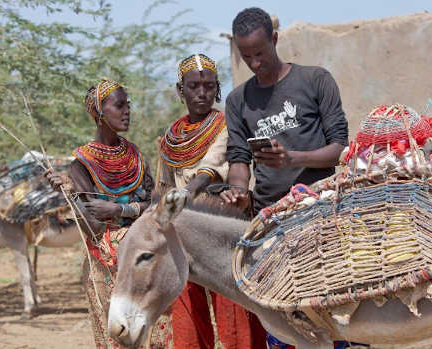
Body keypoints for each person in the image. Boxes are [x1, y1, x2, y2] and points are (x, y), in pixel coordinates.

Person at [221, 7, 357, 349]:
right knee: (281, 312)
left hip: (321, 209)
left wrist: (291, 158)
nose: (254, 63)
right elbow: (239, 159)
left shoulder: (315, 80)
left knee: (331, 303)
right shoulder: (238, 101)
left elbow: (340, 147)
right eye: (246, 56)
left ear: (275, 40)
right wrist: (237, 191)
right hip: (271, 219)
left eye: (260, 53)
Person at [46, 79, 172, 349]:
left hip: (145, 259)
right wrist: (70, 193)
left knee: (156, 335)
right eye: (119, 105)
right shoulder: (82, 163)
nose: (127, 111)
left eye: (128, 104)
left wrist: (119, 209)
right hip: (107, 265)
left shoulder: (135, 155)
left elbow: (153, 205)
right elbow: (92, 225)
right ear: (100, 112)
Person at [156, 53, 267, 349]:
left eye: (208, 86)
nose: (202, 93)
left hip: (222, 228)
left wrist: (187, 193)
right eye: (194, 86)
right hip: (184, 232)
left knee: (234, 312)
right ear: (181, 90)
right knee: (188, 314)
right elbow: (166, 185)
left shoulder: (228, 126)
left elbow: (215, 166)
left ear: (217, 88)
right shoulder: (170, 140)